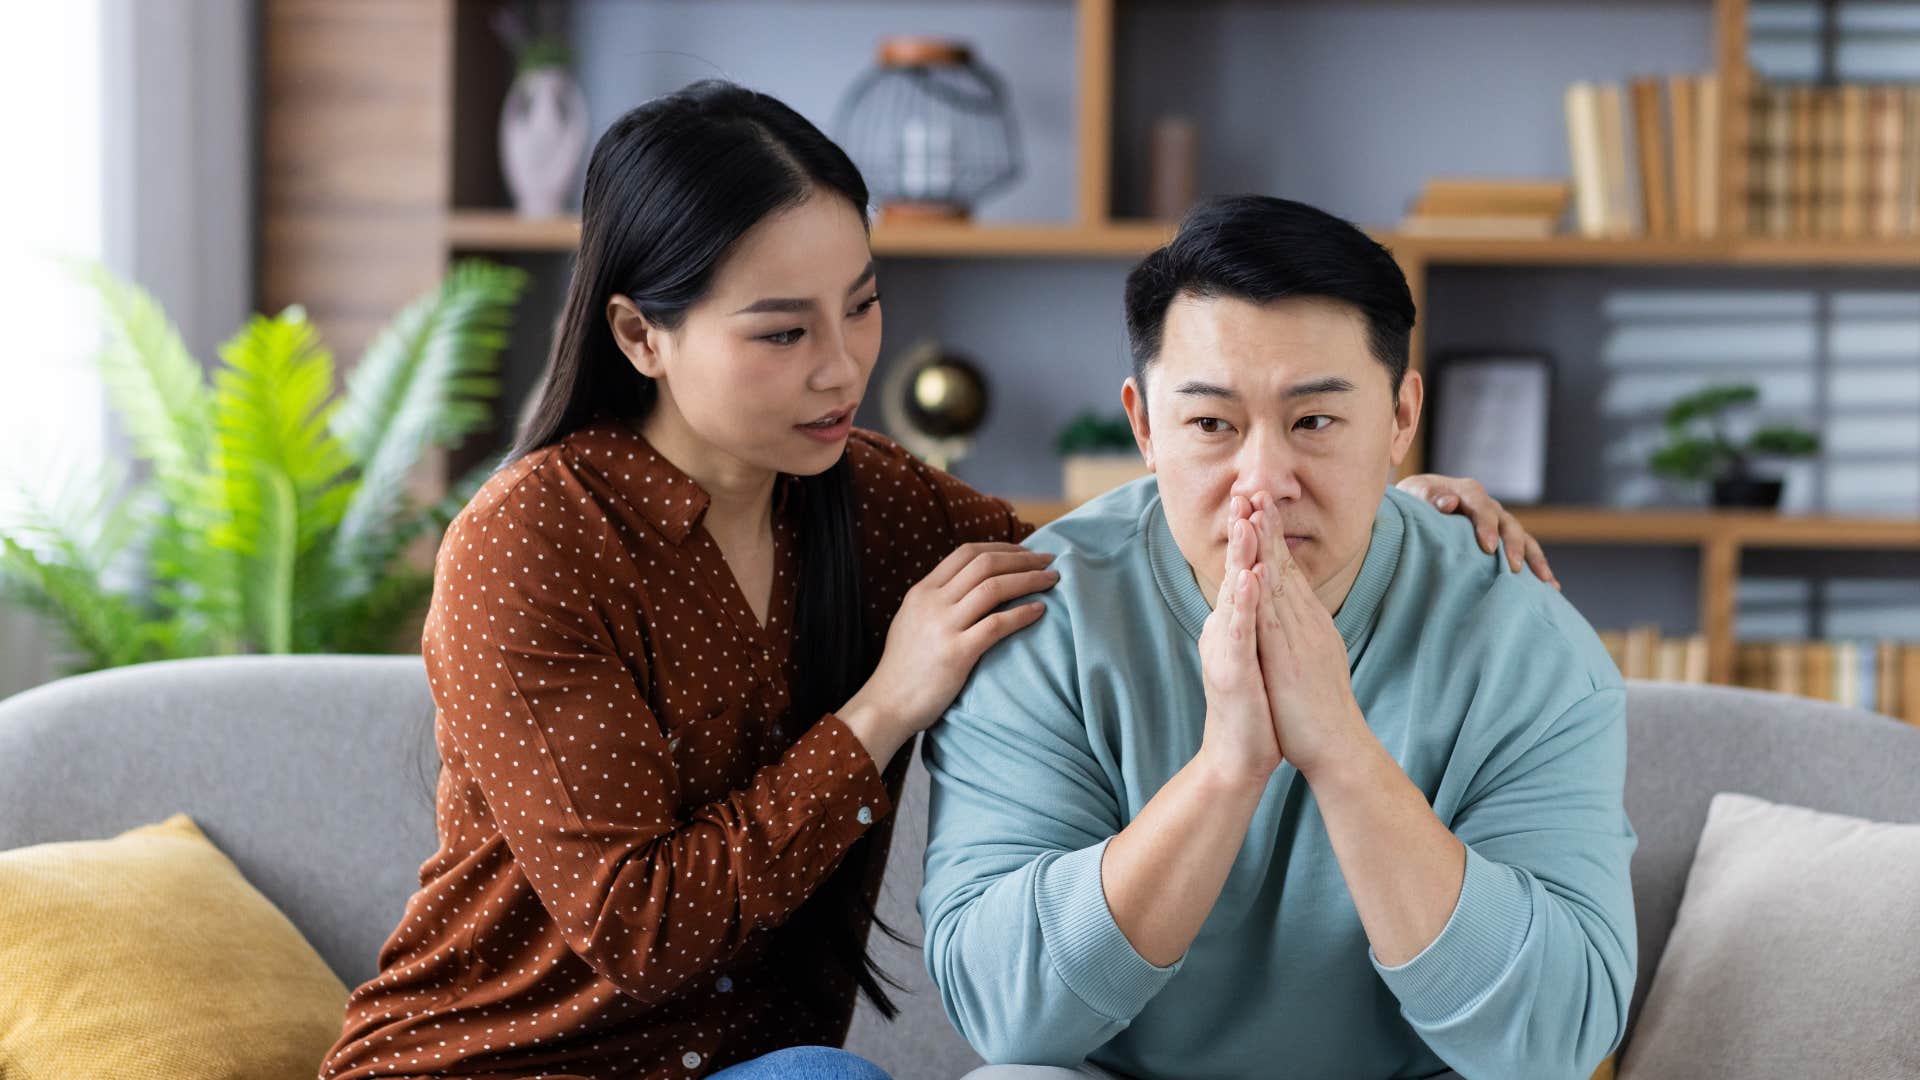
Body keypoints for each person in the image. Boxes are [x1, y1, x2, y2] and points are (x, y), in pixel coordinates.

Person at [318, 82, 1557, 1080]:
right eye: (781, 332)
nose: (842, 366)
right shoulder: (528, 542)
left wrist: (1377, 507)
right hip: (489, 1064)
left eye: (861, 307)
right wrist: (884, 708)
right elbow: (645, 933)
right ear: (642, 335)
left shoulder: (872, 497)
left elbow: (1124, 550)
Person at [920, 195, 1635, 1080]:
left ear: (1401, 420)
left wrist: (1339, 749)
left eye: (1316, 422)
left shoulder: (1524, 641)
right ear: (1144, 425)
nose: (1263, 483)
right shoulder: (1047, 618)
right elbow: (1002, 1013)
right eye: (1212, 424)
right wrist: (1228, 769)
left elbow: (1558, 1039)